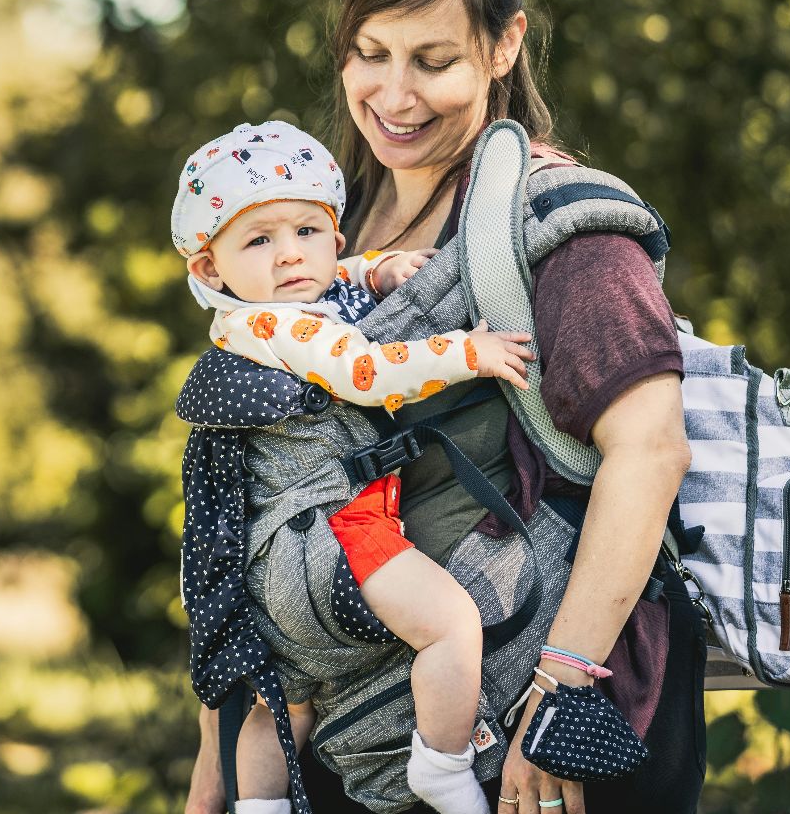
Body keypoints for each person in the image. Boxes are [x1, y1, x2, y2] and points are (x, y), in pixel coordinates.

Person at [182, 0, 702, 814]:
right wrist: (217, 768)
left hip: (528, 734)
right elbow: (262, 487)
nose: (394, 95)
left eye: (433, 60)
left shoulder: (557, 221)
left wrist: (560, 696)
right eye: (369, 54)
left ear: (504, 46)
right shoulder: (314, 239)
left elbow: (652, 451)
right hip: (352, 734)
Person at [171, 121, 537, 814]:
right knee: (451, 626)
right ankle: (442, 765)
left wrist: (373, 271)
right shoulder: (285, 327)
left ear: (335, 237)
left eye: (308, 231)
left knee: (288, 700)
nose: (290, 257)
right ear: (210, 269)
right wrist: (467, 351)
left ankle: (259, 805)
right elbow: (365, 370)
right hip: (338, 534)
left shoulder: (252, 315)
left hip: (271, 561)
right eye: (259, 240)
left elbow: (326, 281)